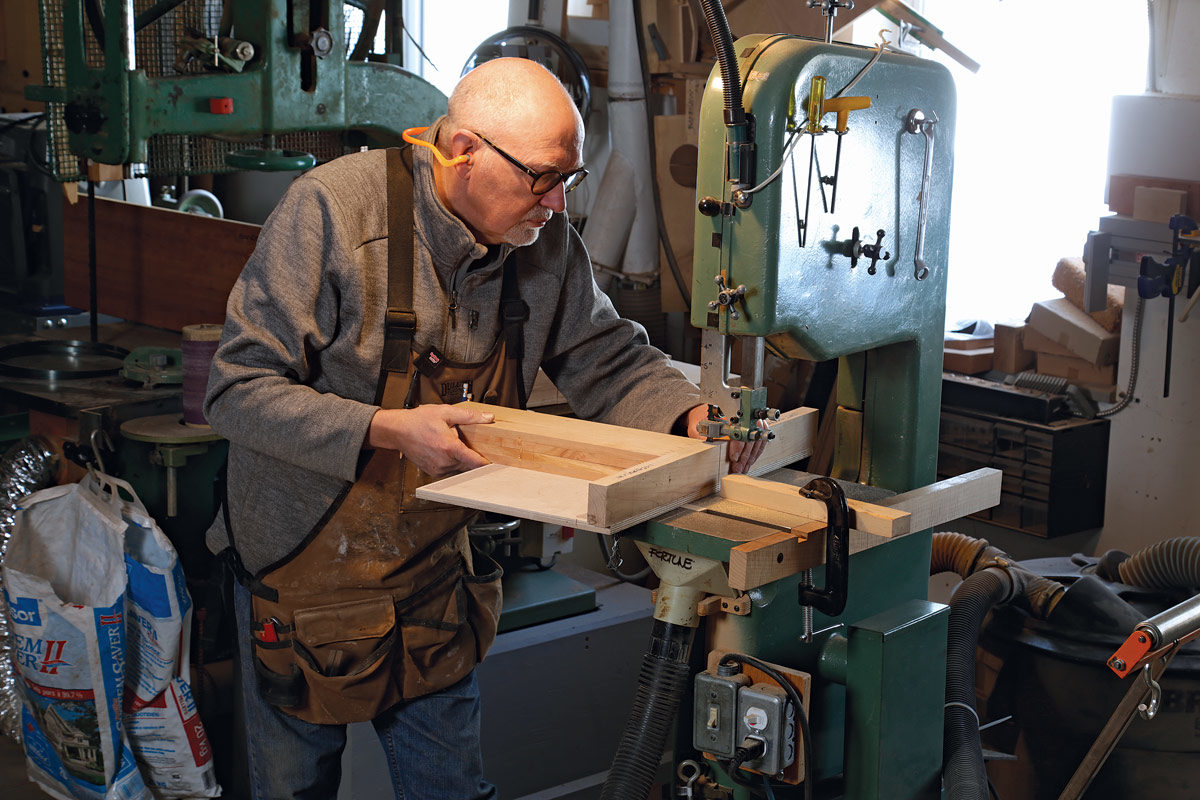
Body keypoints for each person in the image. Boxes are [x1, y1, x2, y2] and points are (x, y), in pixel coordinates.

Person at [203, 57, 767, 800]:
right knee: (293, 788)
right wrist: (388, 429)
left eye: (570, 178)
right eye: (542, 177)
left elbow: (605, 357)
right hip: (304, 570)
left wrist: (687, 410)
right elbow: (237, 390)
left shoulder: (546, 243)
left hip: (432, 574)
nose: (559, 203)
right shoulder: (333, 215)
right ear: (462, 151)